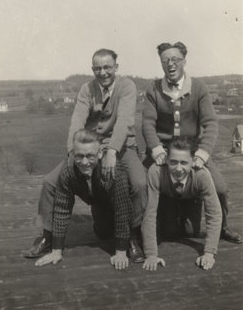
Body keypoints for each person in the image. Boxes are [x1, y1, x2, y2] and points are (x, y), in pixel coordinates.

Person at [142, 41, 242, 244]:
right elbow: (148, 124)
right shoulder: (153, 89)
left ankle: (222, 227)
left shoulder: (198, 87)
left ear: (184, 61)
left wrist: (203, 153)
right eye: (165, 61)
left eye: (175, 60)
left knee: (220, 189)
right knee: (142, 187)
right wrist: (156, 149)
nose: (170, 64)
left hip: (192, 152)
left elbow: (211, 122)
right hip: (164, 153)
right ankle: (143, 229)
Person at [26, 129, 133, 270]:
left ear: (100, 153)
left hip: (127, 205)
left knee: (126, 229)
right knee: (104, 234)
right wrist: (56, 251)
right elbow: (61, 208)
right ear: (72, 154)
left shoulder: (114, 171)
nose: (84, 162)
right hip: (100, 201)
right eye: (79, 156)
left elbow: (122, 211)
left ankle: (133, 238)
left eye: (90, 156)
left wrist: (120, 252)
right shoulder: (68, 169)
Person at [142, 137, 222, 271]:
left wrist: (209, 253)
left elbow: (214, 214)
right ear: (166, 160)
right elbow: (149, 214)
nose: (178, 169)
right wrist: (151, 255)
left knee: (191, 231)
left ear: (193, 161)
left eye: (184, 163)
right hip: (167, 198)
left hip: (191, 198)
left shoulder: (201, 174)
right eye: (173, 162)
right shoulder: (156, 171)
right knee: (168, 232)